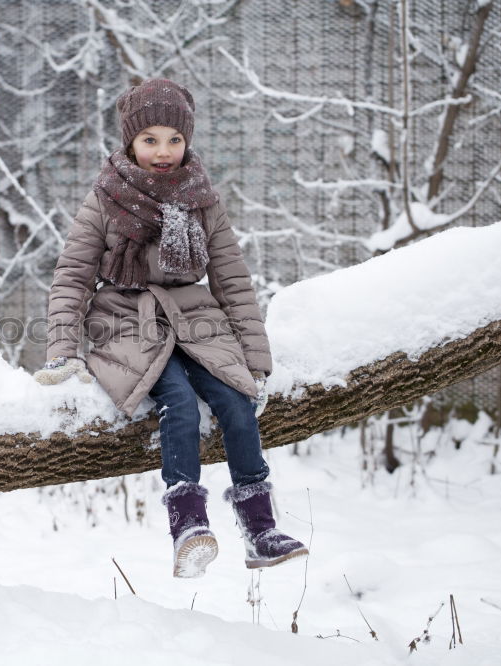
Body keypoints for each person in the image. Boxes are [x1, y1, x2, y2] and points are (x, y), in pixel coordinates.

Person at [33, 79, 308, 578]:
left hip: (195, 320)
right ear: (130, 142)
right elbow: (72, 275)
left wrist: (256, 360)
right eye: (151, 140)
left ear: (188, 141)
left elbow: (232, 280)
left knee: (236, 404)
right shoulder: (104, 199)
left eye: (174, 140)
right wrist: (63, 350)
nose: (163, 152)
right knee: (179, 405)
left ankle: (260, 530)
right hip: (125, 321)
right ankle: (188, 526)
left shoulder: (202, 200)